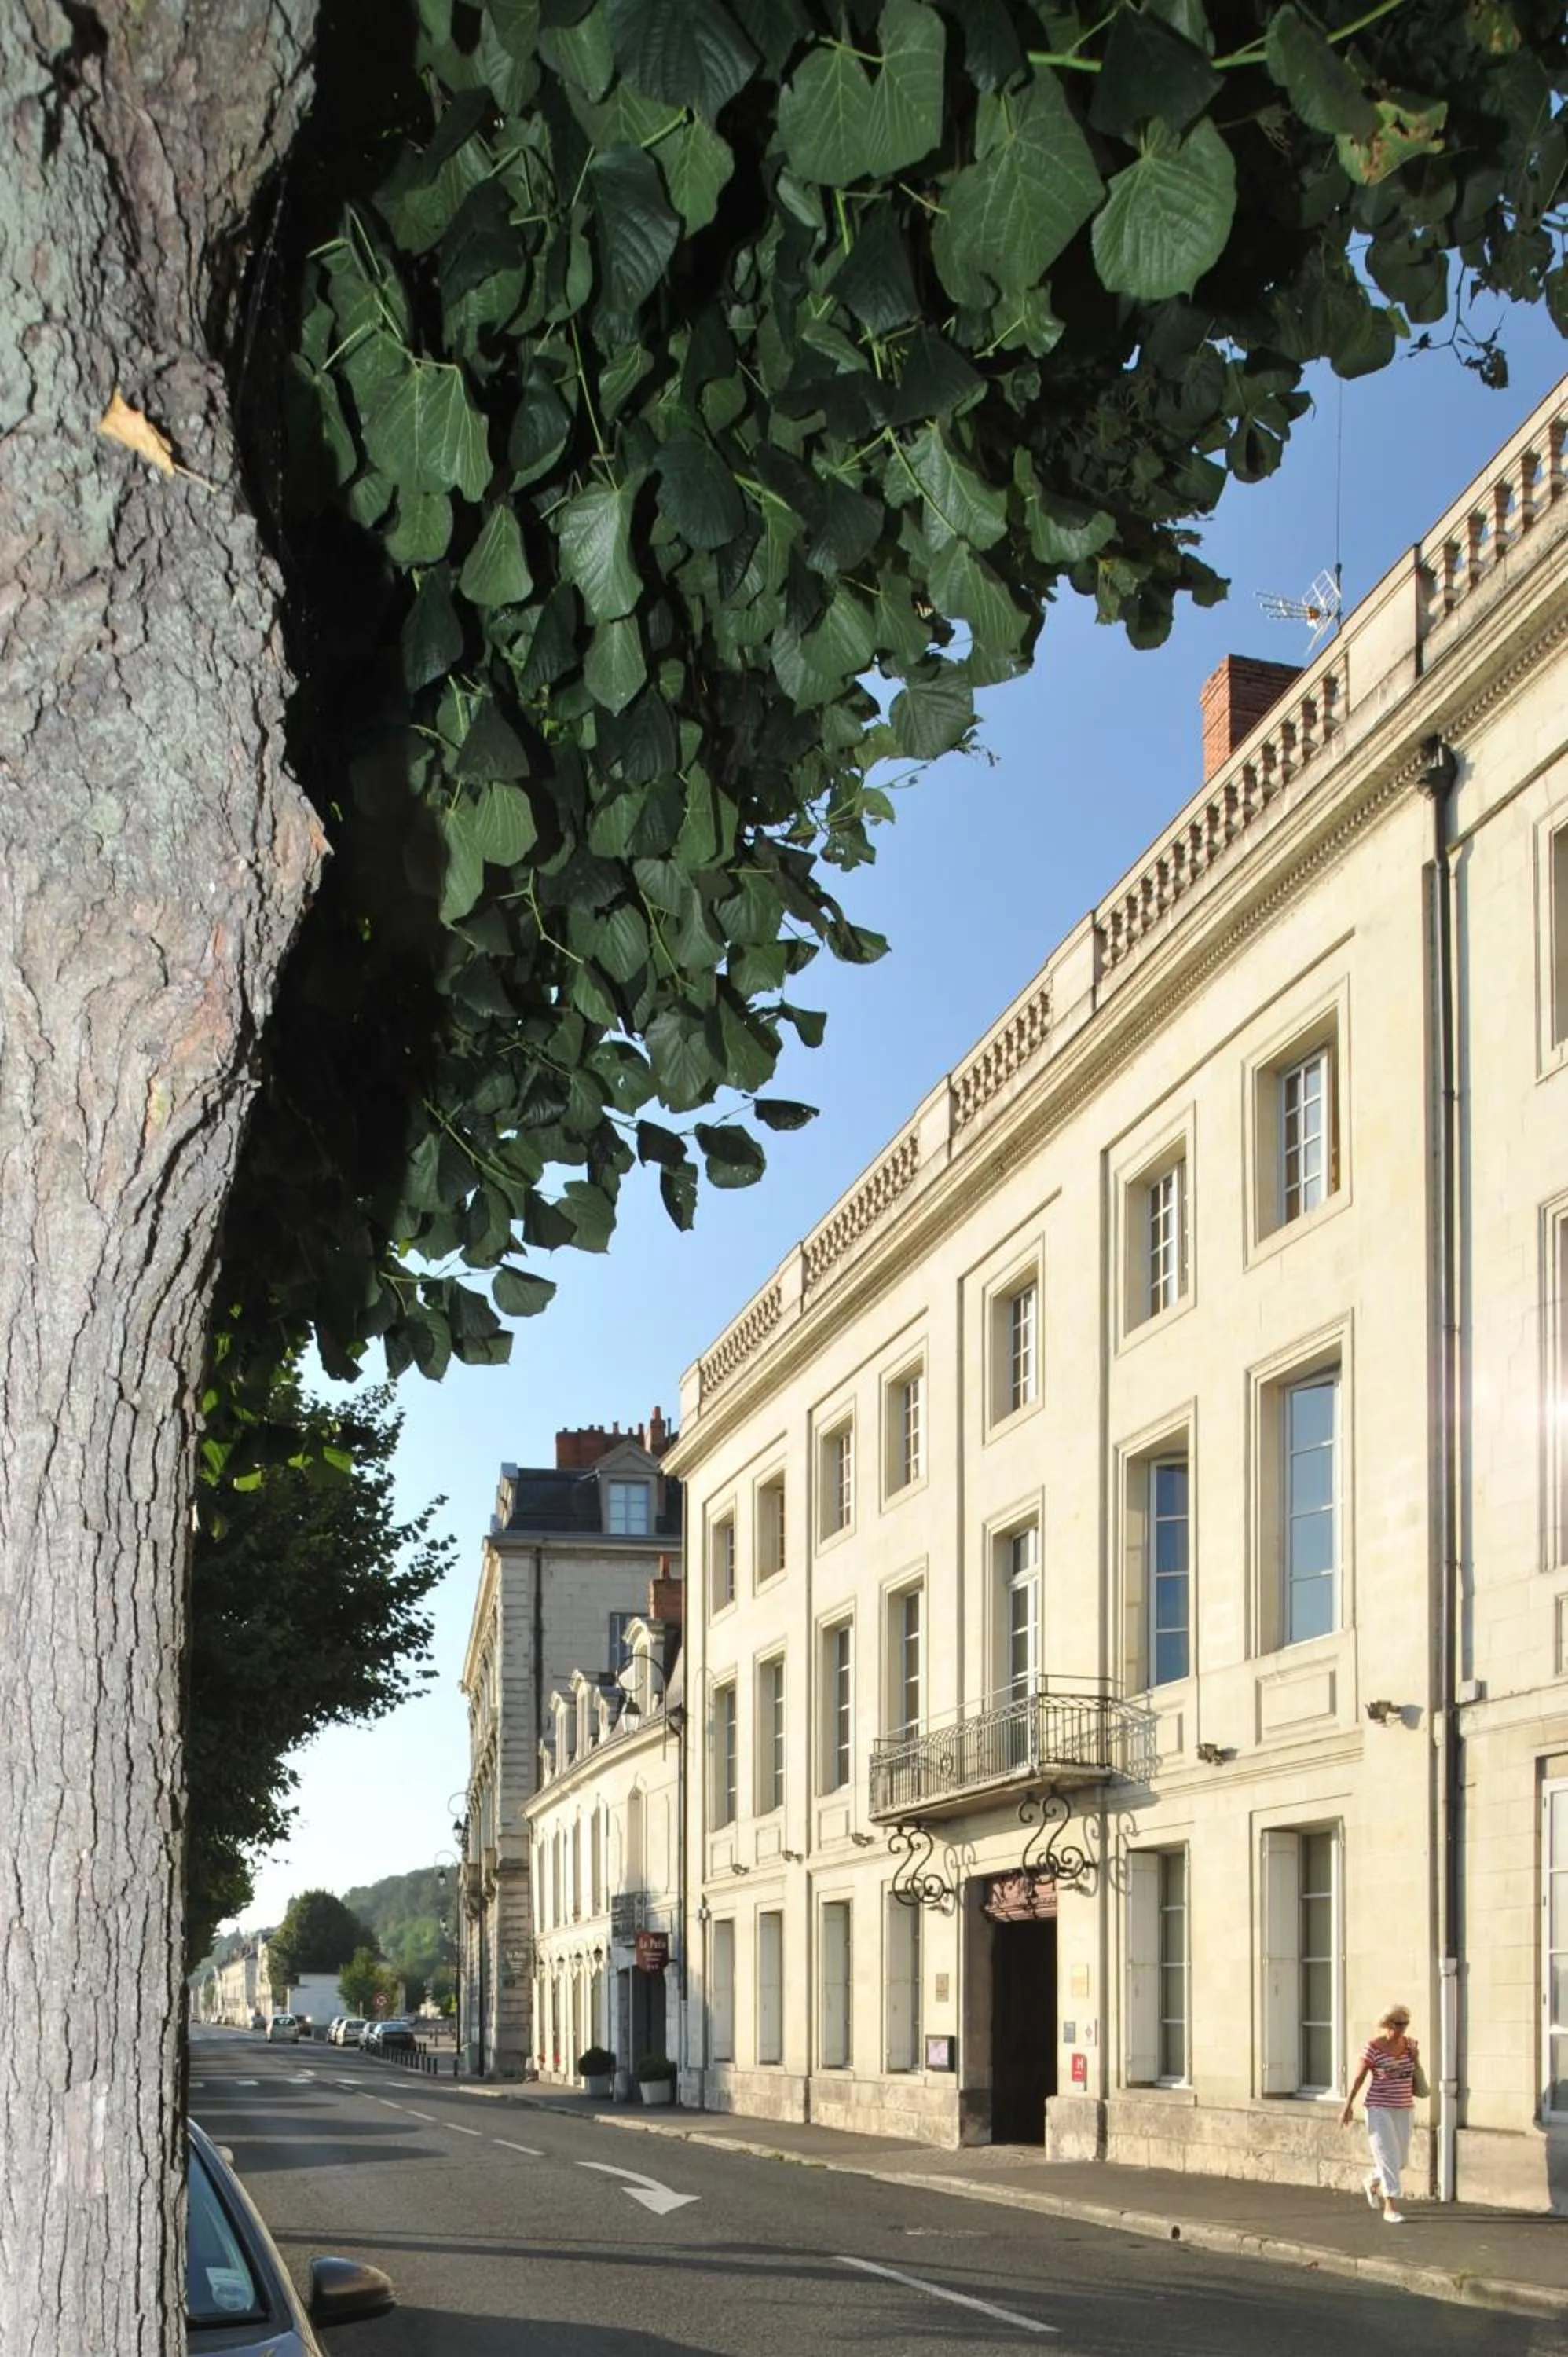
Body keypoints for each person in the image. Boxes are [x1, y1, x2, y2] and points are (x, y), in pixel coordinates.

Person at [1341, 2003, 1420, 2223]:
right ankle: (1390, 2207)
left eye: (1405, 2024)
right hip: (1379, 2108)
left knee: (1401, 2161)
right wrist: (1348, 2105)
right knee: (1388, 2157)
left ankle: (1372, 2180)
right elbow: (1359, 2078)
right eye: (1398, 2024)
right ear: (1387, 2024)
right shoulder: (1373, 2047)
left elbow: (1417, 2076)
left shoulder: (1411, 2045)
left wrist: (1415, 2058)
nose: (1402, 2029)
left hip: (1404, 2107)